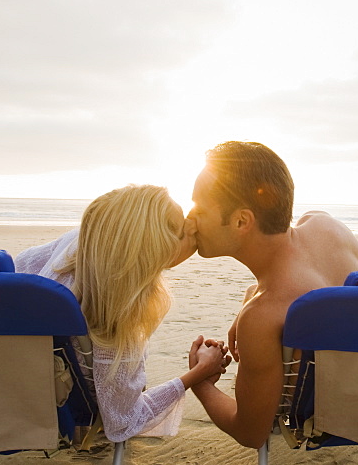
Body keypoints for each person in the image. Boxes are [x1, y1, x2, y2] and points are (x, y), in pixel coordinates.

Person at [186, 142, 358, 448]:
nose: (190, 218)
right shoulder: (328, 227)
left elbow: (250, 433)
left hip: (326, 416)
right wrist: (252, 295)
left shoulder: (264, 316)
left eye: (200, 209)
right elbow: (312, 282)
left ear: (242, 221)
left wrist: (200, 380)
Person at [15, 184, 230, 442]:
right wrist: (198, 373)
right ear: (155, 250)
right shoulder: (113, 326)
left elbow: (19, 269)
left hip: (12, 386)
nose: (192, 227)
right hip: (64, 407)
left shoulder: (81, 243)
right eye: (183, 232)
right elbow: (122, 420)